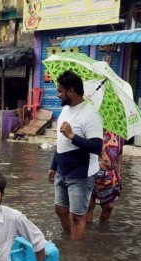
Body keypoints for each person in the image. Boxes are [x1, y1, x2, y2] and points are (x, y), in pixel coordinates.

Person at [47, 70, 103, 240]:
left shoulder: (91, 115)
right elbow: (60, 142)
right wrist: (53, 166)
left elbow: (97, 147)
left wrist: (72, 135)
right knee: (60, 209)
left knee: (78, 216)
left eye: (59, 91)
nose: (57, 95)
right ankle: (68, 240)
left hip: (80, 174)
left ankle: (75, 253)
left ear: (71, 91)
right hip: (62, 170)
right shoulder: (65, 110)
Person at [87, 130, 123, 223]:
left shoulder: (118, 134)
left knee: (108, 207)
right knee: (89, 205)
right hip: (90, 171)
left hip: (109, 175)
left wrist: (119, 169)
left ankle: (102, 231)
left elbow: (120, 152)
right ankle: (87, 231)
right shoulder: (93, 129)